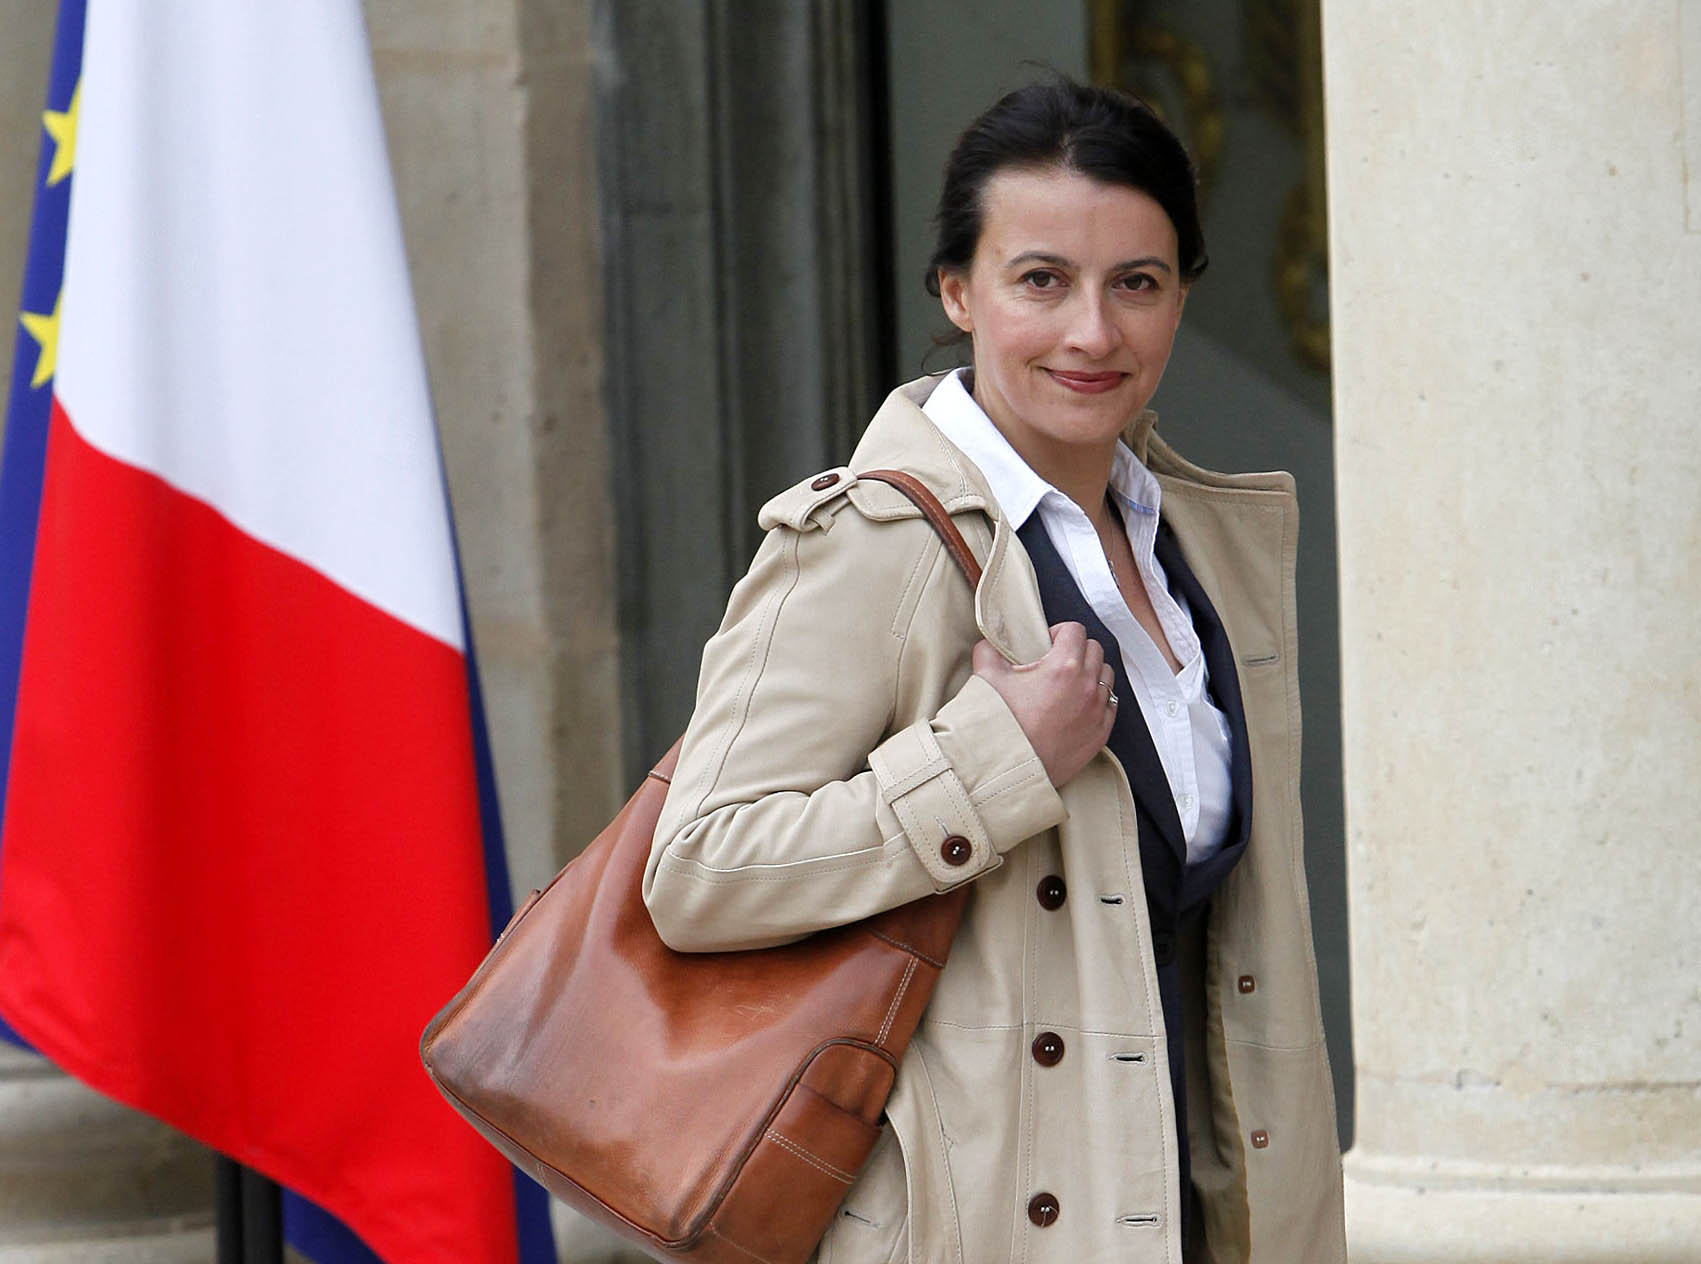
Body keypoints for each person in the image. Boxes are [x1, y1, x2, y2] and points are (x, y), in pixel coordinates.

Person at [644, 76, 1345, 1263]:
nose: (1093, 332)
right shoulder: (871, 540)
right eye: (1041, 280)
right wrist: (991, 761)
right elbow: (699, 867)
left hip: (1199, 1210)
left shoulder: (1204, 544)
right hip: (990, 1223)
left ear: (1181, 298)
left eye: (1137, 283)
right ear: (958, 292)